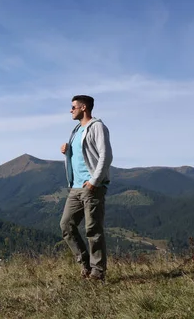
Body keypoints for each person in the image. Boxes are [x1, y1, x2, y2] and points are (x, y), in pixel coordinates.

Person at [59, 95, 113, 281]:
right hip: (75, 187)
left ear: (83, 107)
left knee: (93, 230)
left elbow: (106, 156)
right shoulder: (76, 130)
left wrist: (94, 181)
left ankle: (97, 272)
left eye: (73, 106)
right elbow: (81, 154)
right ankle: (85, 264)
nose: (70, 110)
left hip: (92, 186)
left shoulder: (97, 126)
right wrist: (67, 151)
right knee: (66, 225)